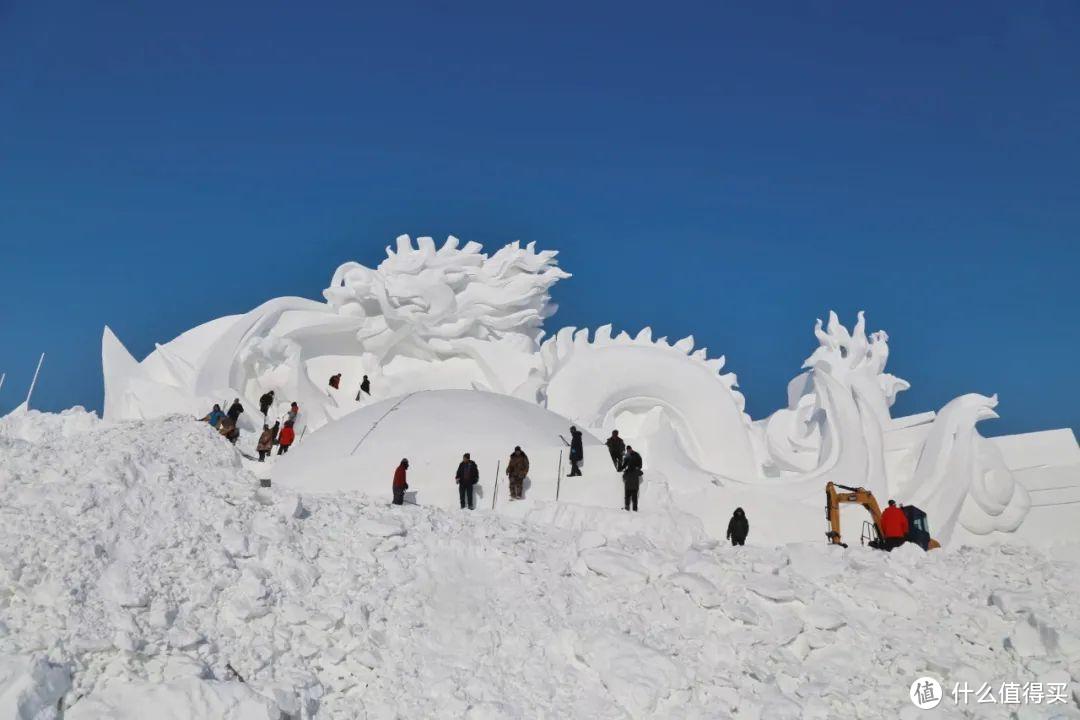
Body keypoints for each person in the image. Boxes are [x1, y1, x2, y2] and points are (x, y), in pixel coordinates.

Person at [621, 445, 643, 511]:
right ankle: (635, 510)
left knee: (627, 497)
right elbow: (641, 473)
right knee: (634, 498)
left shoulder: (636, 455)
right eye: (627, 450)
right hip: (635, 486)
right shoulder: (636, 471)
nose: (628, 451)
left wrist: (624, 471)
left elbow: (624, 476)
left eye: (629, 450)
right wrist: (638, 469)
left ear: (631, 449)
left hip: (628, 486)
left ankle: (627, 508)